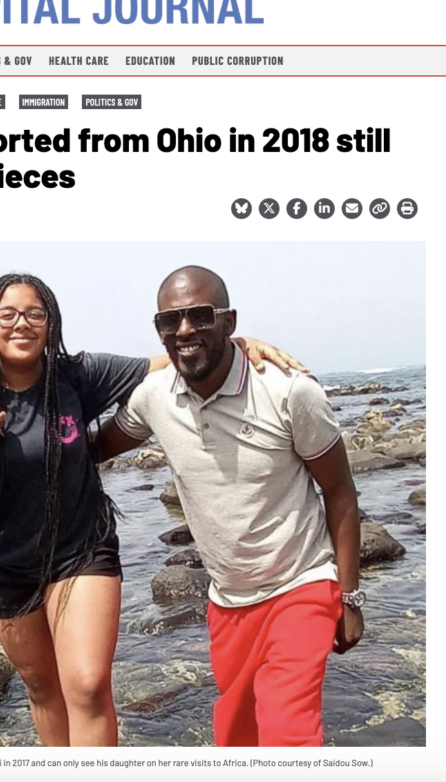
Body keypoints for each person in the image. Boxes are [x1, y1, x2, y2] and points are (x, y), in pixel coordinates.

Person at [0, 272, 305, 748]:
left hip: (81, 552)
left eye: (34, 313)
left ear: (50, 322)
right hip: (4, 567)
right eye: (8, 315)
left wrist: (234, 342)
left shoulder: (76, 376)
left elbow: (168, 361)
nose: (21, 324)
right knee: (44, 689)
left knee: (85, 684)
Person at [92, 265, 363, 747]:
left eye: (200, 315)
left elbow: (340, 492)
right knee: (237, 739)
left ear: (229, 321)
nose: (185, 330)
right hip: (228, 602)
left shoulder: (288, 390)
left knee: (288, 733)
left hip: (300, 585)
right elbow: (90, 451)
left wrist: (349, 597)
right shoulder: (154, 397)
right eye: (169, 321)